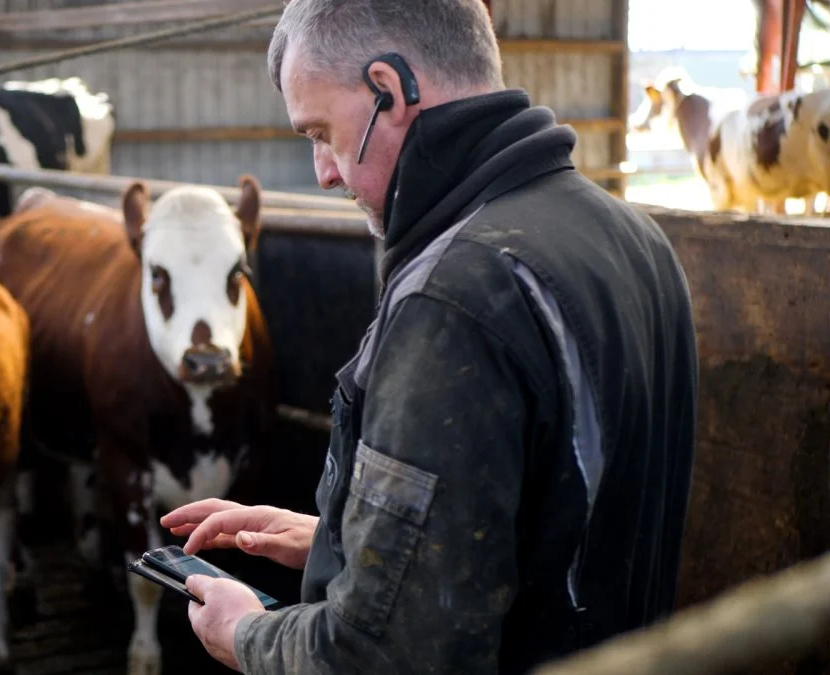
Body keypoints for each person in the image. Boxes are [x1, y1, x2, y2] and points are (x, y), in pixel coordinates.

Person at [159, 0, 699, 673]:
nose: (324, 172)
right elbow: (552, 523)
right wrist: (340, 540)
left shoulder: (452, 299)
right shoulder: (637, 240)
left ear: (389, 89)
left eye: (321, 132)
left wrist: (246, 635)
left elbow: (385, 653)